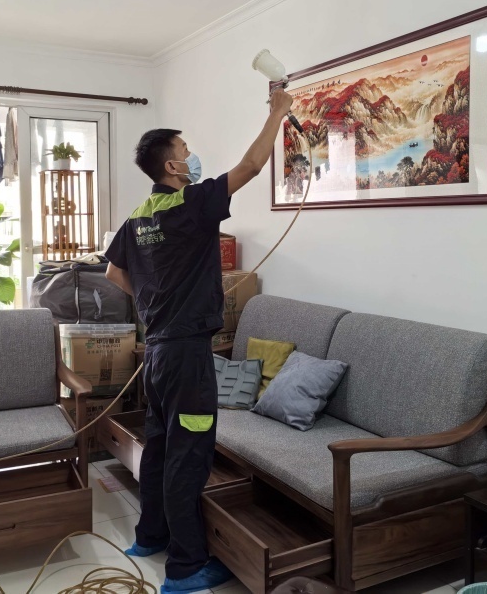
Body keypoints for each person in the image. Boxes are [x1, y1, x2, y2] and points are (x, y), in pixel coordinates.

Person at [105, 89, 295, 594]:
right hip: (187, 357)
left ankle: (149, 537)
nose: (192, 156)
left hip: (157, 354)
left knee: (160, 448)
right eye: (186, 151)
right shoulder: (192, 204)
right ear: (172, 166)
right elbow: (251, 166)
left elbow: (113, 273)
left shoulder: (139, 216)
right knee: (188, 457)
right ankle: (187, 566)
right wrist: (278, 111)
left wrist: (154, 302)